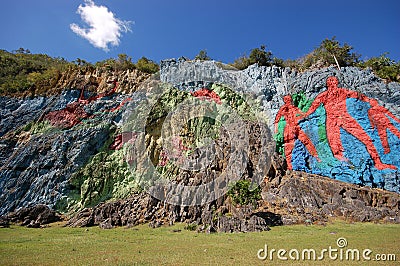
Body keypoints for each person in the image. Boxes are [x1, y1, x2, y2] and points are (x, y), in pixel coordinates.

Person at [303, 76, 396, 170]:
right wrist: (305, 115)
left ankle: (378, 163)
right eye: (330, 81)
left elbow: (359, 96)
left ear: (337, 82)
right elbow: (313, 107)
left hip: (345, 117)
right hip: (332, 120)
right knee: (334, 145)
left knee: (366, 138)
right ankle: (343, 164)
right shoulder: (323, 95)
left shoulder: (344, 91)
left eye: (334, 80)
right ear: (327, 84)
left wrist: (369, 101)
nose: (332, 82)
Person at [275, 95, 319, 170]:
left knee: (306, 141)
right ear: (285, 100)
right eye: (287, 99)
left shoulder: (294, 108)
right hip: (289, 129)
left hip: (296, 127)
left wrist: (307, 117)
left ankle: (316, 157)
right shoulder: (283, 108)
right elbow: (277, 119)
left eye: (289, 99)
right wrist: (276, 130)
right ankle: (289, 166)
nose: (289, 100)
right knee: (289, 147)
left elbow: (302, 114)